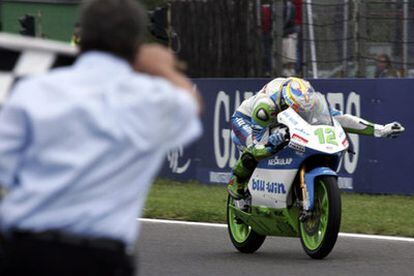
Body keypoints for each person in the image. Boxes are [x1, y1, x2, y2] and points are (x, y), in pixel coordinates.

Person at [0, 0, 202, 275]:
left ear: (81, 38)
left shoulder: (34, 90)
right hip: (101, 258)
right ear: (136, 45)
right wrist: (162, 68)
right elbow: (191, 104)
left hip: (26, 251)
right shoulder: (151, 99)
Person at [227, 77, 404, 200]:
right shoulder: (265, 107)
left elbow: (342, 119)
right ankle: (237, 182)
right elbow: (258, 144)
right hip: (248, 120)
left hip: (277, 121)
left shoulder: (307, 100)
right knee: (256, 149)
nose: (300, 112)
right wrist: (270, 144)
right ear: (285, 103)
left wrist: (381, 129)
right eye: (296, 110)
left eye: (302, 110)